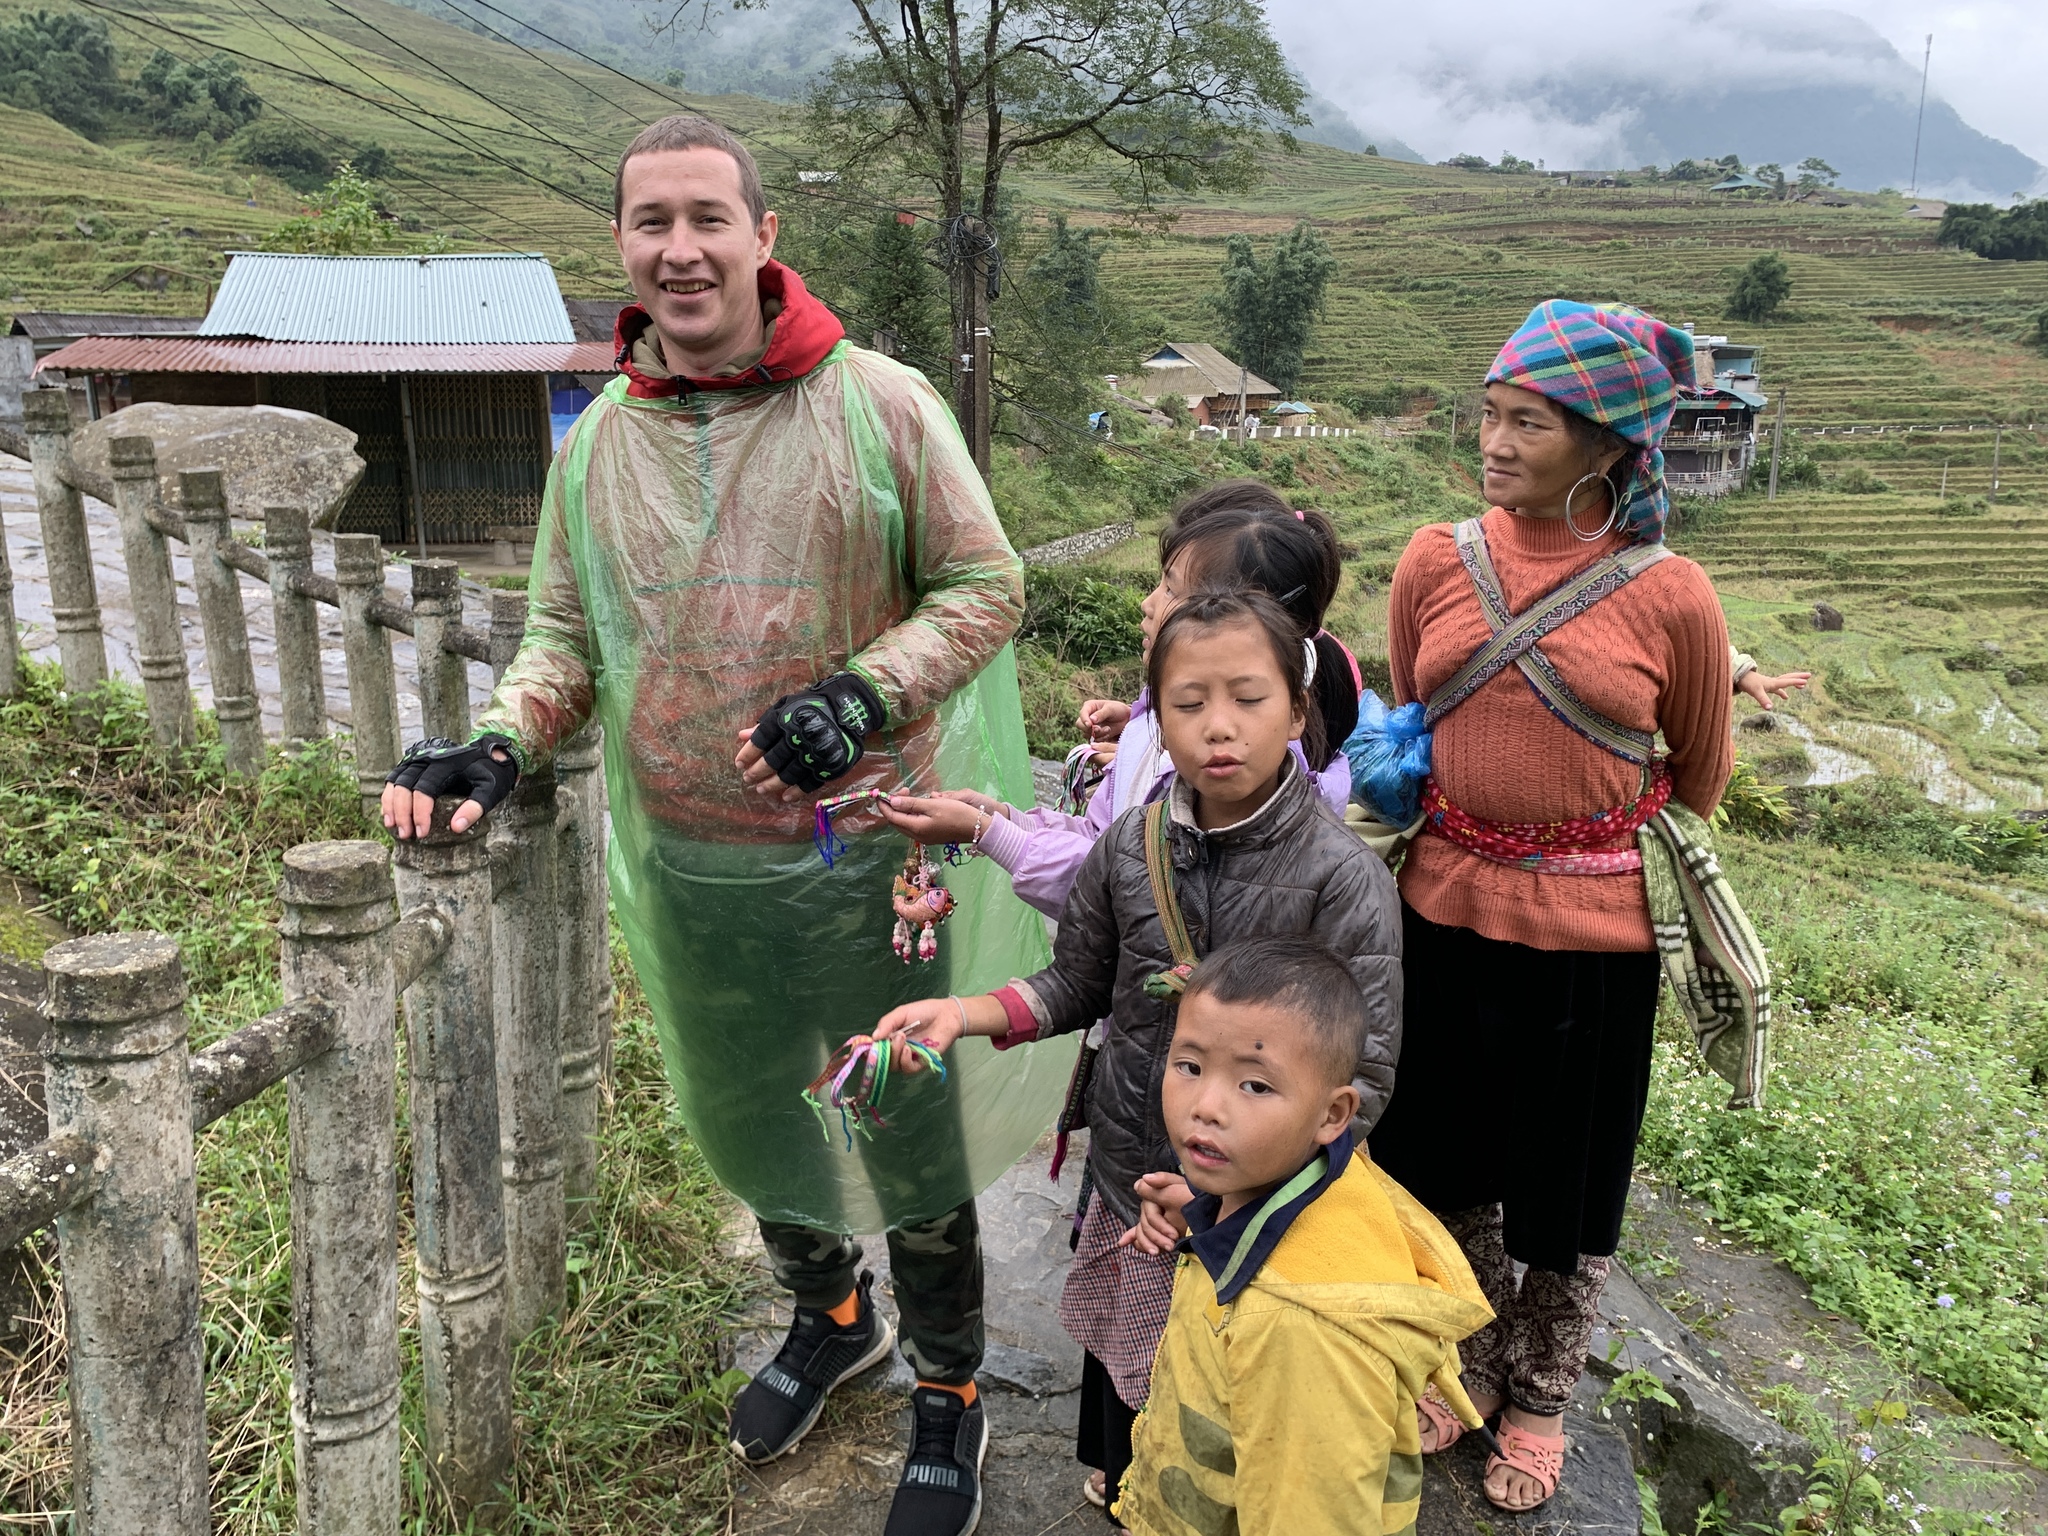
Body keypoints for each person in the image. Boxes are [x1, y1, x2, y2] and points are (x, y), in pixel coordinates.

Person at [379, 114, 1069, 1536]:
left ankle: (948, 1386)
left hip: (874, 862)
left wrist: (863, 694)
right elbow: (565, 637)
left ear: (765, 238)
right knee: (754, 1114)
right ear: (621, 247)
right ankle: (829, 1315)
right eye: (651, 222)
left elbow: (987, 584)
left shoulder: (879, 404)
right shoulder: (600, 449)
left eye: (708, 217)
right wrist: (501, 744)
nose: (679, 248)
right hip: (697, 869)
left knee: (905, 1129)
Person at [867, 589, 1402, 1529]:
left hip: (1263, 1218)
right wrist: (960, 1011)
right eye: (1188, 704)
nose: (1219, 727)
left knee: (1232, 1429)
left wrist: (1222, 1202)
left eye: (1249, 698)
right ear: (1155, 717)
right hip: (1131, 1174)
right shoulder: (1131, 845)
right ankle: (1132, 1490)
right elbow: (1077, 983)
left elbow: (1370, 1077)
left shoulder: (1344, 882)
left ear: (1297, 710)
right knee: (1131, 1397)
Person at [1366, 301, 1734, 1512]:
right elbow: (1405, 719)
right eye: (1489, 415)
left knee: (1565, 1189)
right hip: (1439, 915)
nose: (1495, 440)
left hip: (1592, 943)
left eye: (1528, 421)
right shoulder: (1434, 559)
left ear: (1606, 449)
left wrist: (1563, 835)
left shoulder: (1669, 595)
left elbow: (1700, 770)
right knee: (1436, 1159)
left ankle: (1537, 1396)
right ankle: (1459, 1360)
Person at [1113, 936, 1494, 1536]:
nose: (1204, 1105)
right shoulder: (1309, 1179)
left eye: (1255, 1085)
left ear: (1333, 1114)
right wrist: (1206, 1208)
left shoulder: (1296, 1329)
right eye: (1189, 1066)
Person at [877, 482, 1360, 921]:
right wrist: (1004, 817)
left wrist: (989, 832)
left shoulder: (1236, 774)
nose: (1148, 603)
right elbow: (1107, 843)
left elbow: (1134, 893)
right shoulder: (1155, 723)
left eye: (1171, 588)